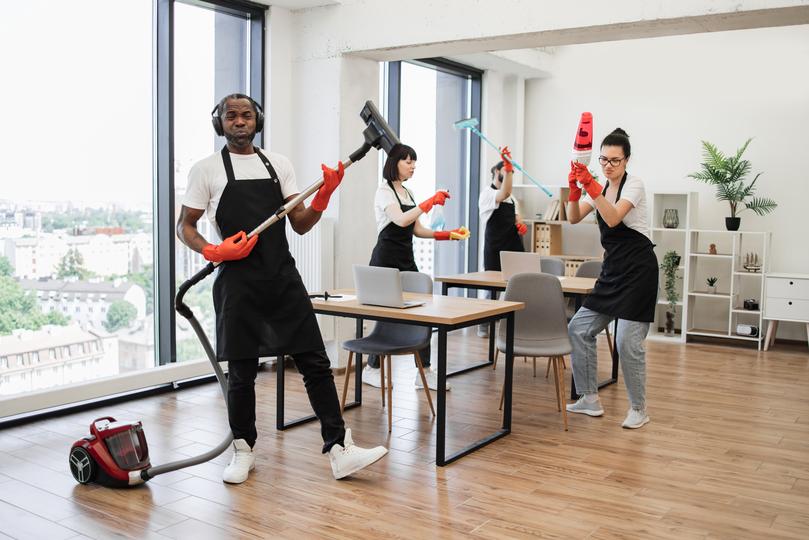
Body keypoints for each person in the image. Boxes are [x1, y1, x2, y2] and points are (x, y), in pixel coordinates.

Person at [177, 93, 387, 484]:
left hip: (282, 277)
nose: (239, 122)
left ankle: (339, 449)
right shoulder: (205, 170)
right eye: (230, 116)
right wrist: (212, 248)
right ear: (219, 123)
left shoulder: (279, 165)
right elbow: (183, 226)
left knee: (315, 363)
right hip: (237, 283)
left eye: (246, 115)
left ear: (257, 120)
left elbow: (301, 223)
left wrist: (323, 195)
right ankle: (243, 450)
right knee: (241, 372)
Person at [564, 128, 657, 429]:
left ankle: (639, 409)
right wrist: (574, 190)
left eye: (615, 161)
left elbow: (614, 217)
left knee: (626, 342)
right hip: (613, 272)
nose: (608, 166)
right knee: (578, 328)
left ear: (627, 161)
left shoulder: (635, 185)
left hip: (639, 273)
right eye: (603, 159)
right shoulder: (601, 188)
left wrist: (589, 184)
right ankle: (589, 398)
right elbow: (573, 217)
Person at [362, 143, 469, 390]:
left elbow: (417, 229)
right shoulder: (384, 191)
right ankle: (371, 368)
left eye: (414, 162)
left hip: (406, 258)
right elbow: (400, 220)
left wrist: (447, 235)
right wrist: (429, 202)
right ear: (395, 163)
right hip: (385, 260)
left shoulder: (408, 193)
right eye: (408, 161)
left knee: (423, 313)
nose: (412, 166)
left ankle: (425, 372)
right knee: (384, 315)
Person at [477, 147, 528, 337]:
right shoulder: (487, 194)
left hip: (513, 247)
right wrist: (508, 165)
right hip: (495, 247)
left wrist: (521, 225)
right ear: (497, 172)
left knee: (514, 286)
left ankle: (509, 324)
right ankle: (484, 324)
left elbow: (517, 216)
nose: (509, 177)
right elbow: (504, 193)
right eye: (507, 172)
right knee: (491, 289)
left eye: (511, 173)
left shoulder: (512, 197)